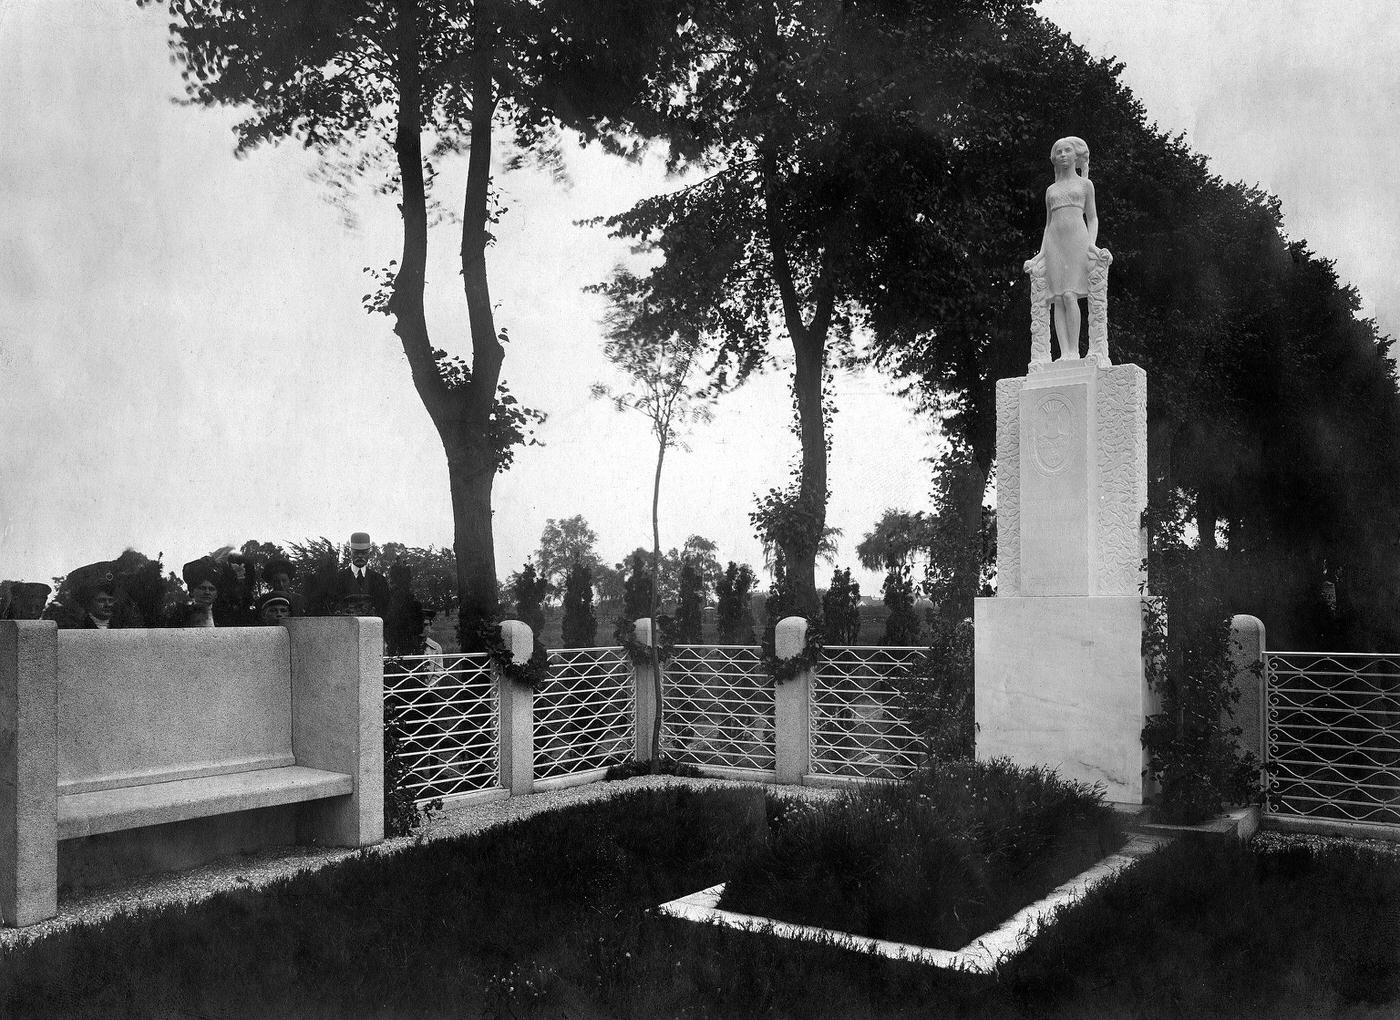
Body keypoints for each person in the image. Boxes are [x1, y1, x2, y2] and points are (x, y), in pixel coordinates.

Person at [1031, 136, 1103, 358]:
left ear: (1076, 155)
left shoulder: (1085, 185)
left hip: (1077, 241)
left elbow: (1092, 218)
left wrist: (1091, 244)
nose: (1062, 155)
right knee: (1058, 297)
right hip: (1054, 243)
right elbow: (1047, 224)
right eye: (1059, 151)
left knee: (1071, 295)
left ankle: (1074, 350)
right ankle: (1065, 353)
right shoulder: (1051, 190)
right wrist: (1040, 254)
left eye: (1067, 151)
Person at [336, 532, 389, 617]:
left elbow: (385, 611)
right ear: (351, 552)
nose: (360, 556)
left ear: (369, 553)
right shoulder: (338, 579)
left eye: (364, 552)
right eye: (356, 552)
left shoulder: (380, 580)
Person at [165, 557, 221, 627]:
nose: (207, 592)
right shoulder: (181, 614)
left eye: (211, 589)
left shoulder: (223, 615)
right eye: (202, 588)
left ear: (216, 594)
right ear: (192, 591)